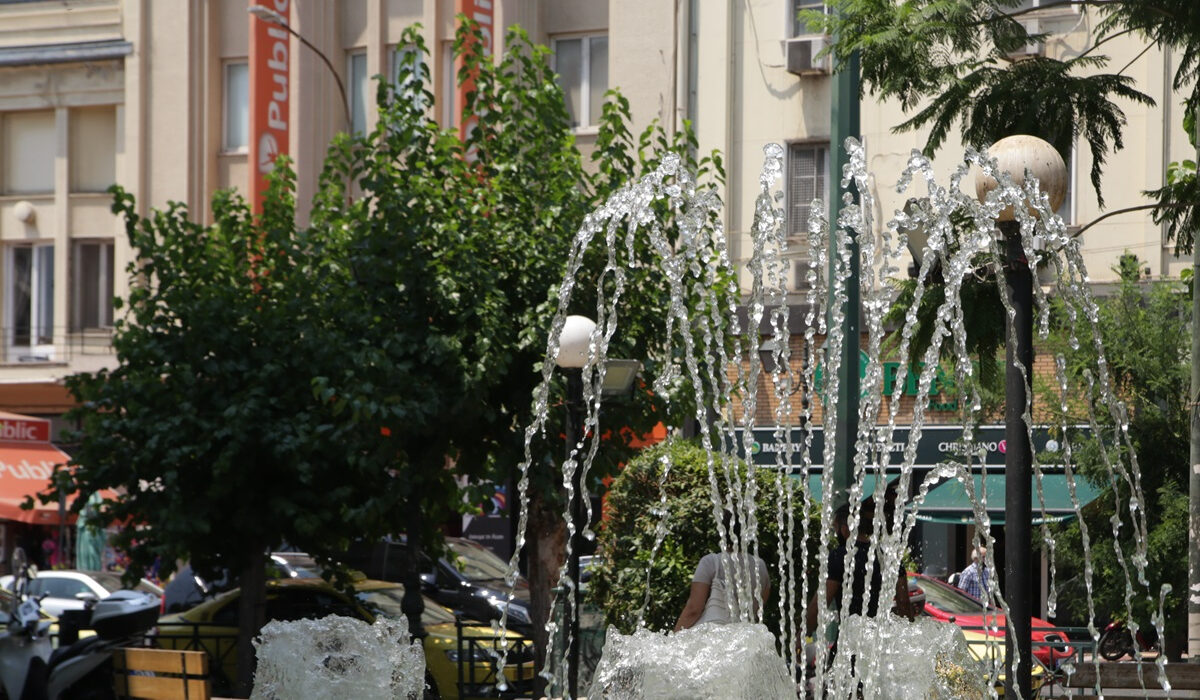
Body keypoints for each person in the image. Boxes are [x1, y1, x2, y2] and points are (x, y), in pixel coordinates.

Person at [805, 498, 915, 636]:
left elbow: (821, 602)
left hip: (849, 643)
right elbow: (904, 603)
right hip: (880, 643)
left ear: (844, 529)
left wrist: (803, 634)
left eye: (835, 529)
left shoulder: (839, 556)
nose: (835, 534)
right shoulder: (888, 558)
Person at [673, 521, 771, 631]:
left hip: (713, 639)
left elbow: (694, 609)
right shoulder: (760, 566)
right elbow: (757, 611)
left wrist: (673, 638)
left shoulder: (711, 562)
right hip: (742, 640)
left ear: (722, 530)